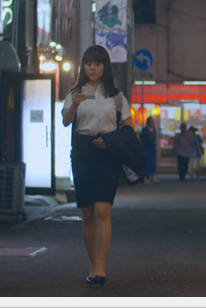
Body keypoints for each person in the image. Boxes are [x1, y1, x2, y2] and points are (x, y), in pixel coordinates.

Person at [61, 45, 134, 287]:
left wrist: (112, 142)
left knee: (103, 209)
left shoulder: (115, 95)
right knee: (87, 212)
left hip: (107, 153)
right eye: (89, 64)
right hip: (83, 152)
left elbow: (128, 126)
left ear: (105, 67)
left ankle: (101, 267)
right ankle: (93, 265)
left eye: (98, 64)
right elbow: (65, 121)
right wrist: (73, 104)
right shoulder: (75, 92)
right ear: (84, 67)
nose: (93, 68)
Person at [139, 117, 160, 183]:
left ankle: (153, 176)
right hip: (146, 149)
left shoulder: (154, 130)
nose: (154, 123)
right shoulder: (145, 130)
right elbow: (141, 140)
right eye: (152, 122)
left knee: (153, 163)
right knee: (146, 163)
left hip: (152, 149)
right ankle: (145, 177)